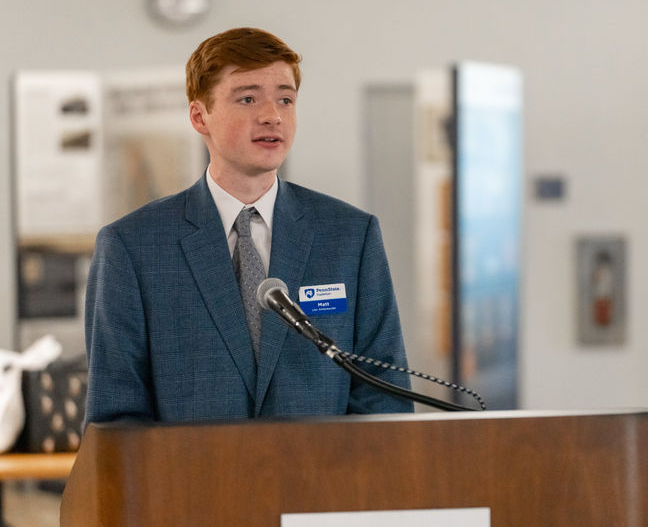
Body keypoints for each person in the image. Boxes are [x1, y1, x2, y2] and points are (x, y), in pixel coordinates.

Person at [84, 27, 413, 425]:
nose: (272, 115)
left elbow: (383, 396)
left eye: (286, 99)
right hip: (190, 484)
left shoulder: (349, 236)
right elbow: (117, 417)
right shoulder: (133, 247)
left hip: (323, 482)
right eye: (248, 98)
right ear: (199, 115)